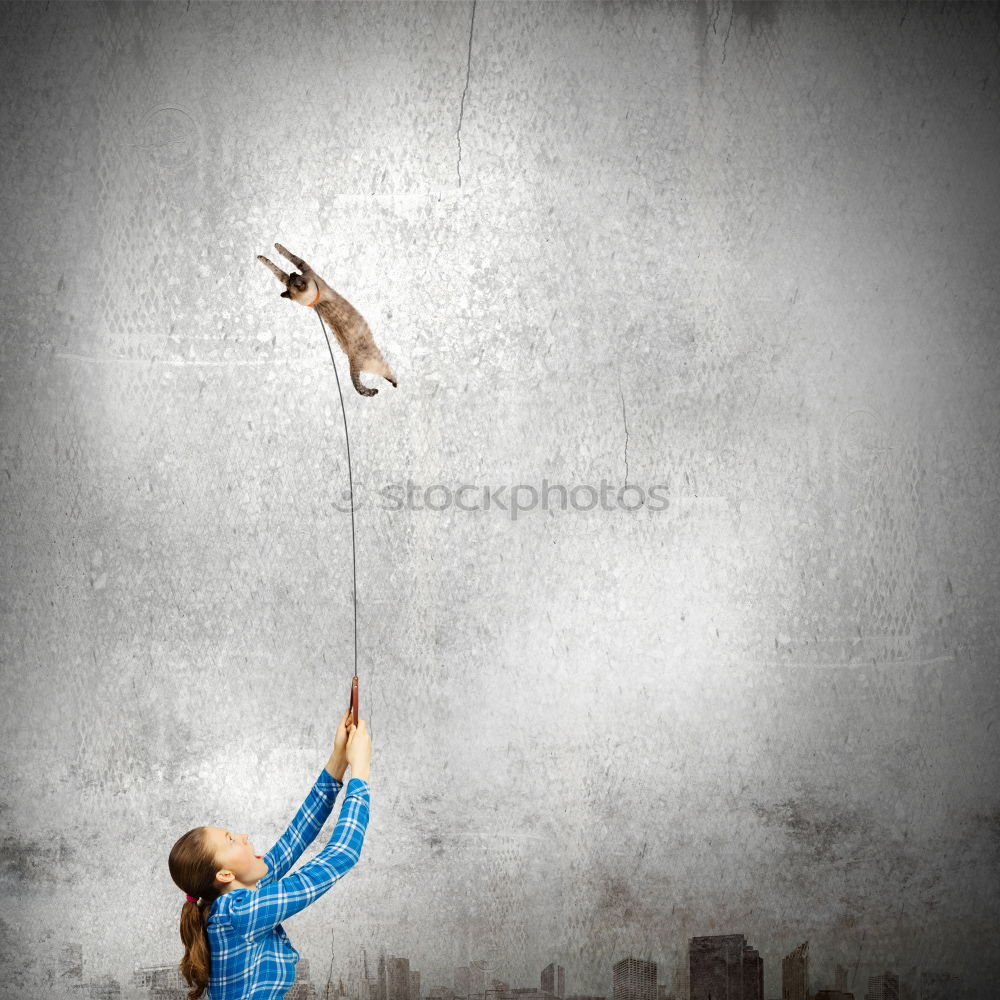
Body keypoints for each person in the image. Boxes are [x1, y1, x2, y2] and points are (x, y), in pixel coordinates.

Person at [168, 709, 372, 1000]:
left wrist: (339, 759)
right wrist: (361, 774)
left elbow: (296, 837)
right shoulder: (240, 913)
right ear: (224, 874)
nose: (243, 836)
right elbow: (340, 855)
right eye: (230, 839)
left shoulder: (235, 901)